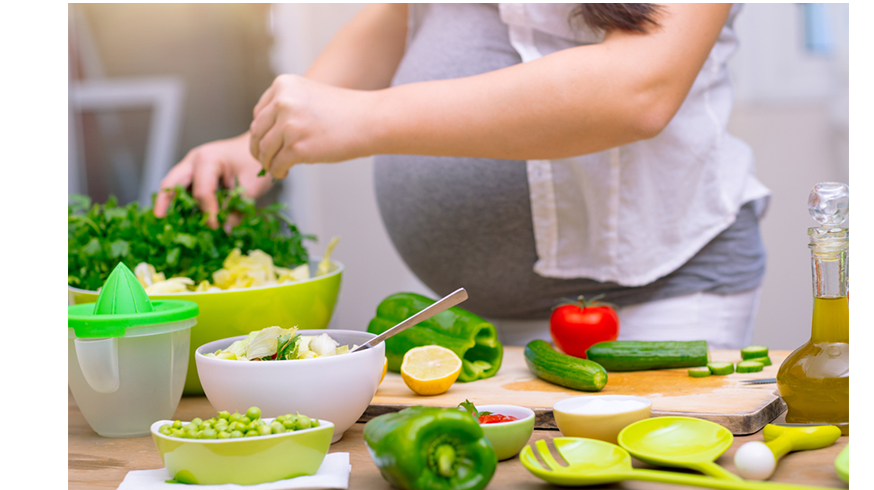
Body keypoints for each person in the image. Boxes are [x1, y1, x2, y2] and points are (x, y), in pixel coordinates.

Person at [154, 3, 770, 349]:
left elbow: (641, 87)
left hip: (648, 305)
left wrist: (365, 118)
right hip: (469, 322)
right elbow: (404, 15)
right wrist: (259, 143)